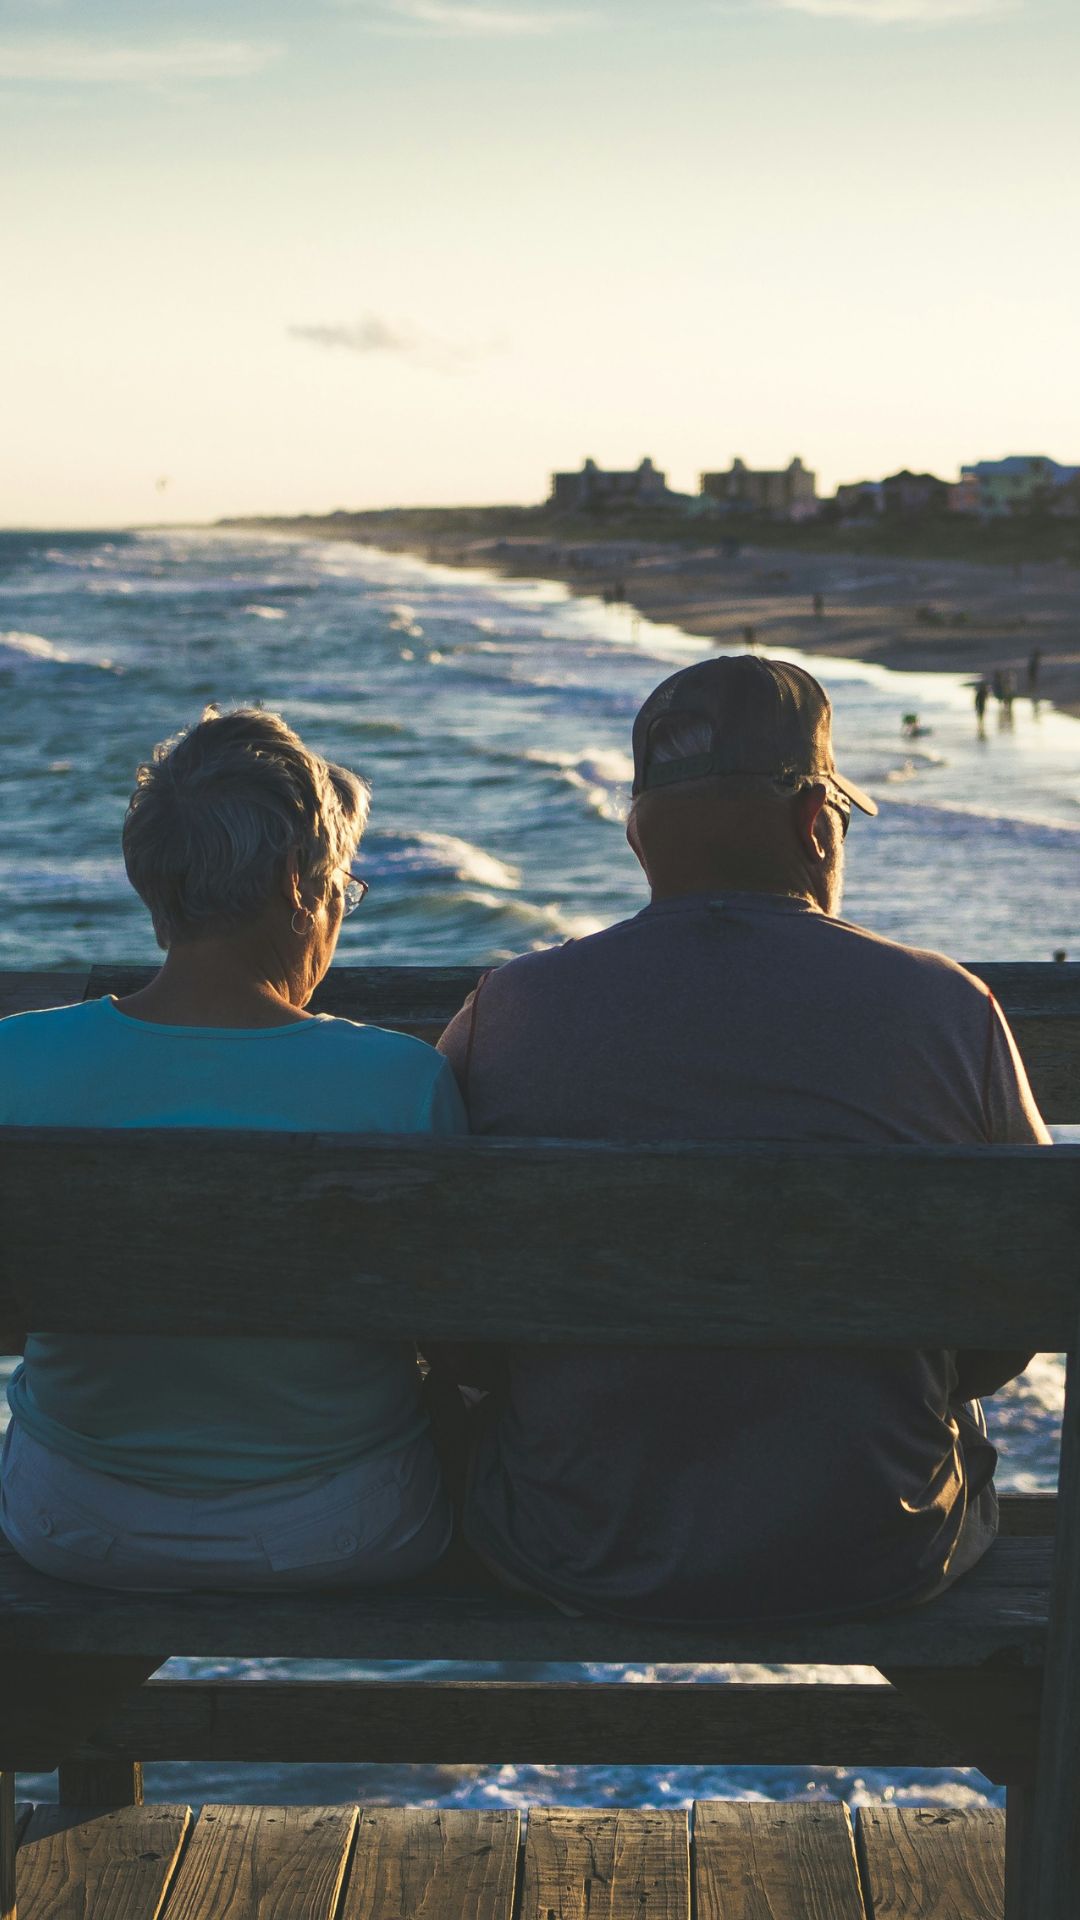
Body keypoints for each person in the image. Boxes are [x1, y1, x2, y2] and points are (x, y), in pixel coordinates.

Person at [434, 656, 1050, 1623]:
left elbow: (447, 1309)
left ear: (640, 837)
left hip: (575, 1546)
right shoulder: (948, 1008)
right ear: (816, 826)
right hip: (875, 1550)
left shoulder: (505, 1010)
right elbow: (1022, 1299)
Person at [0, 707, 464, 1591]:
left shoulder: (12, 1062)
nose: (337, 915)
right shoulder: (399, 1080)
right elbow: (454, 1333)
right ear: (296, 880)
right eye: (341, 890)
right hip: (343, 1528)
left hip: (72, 1522)